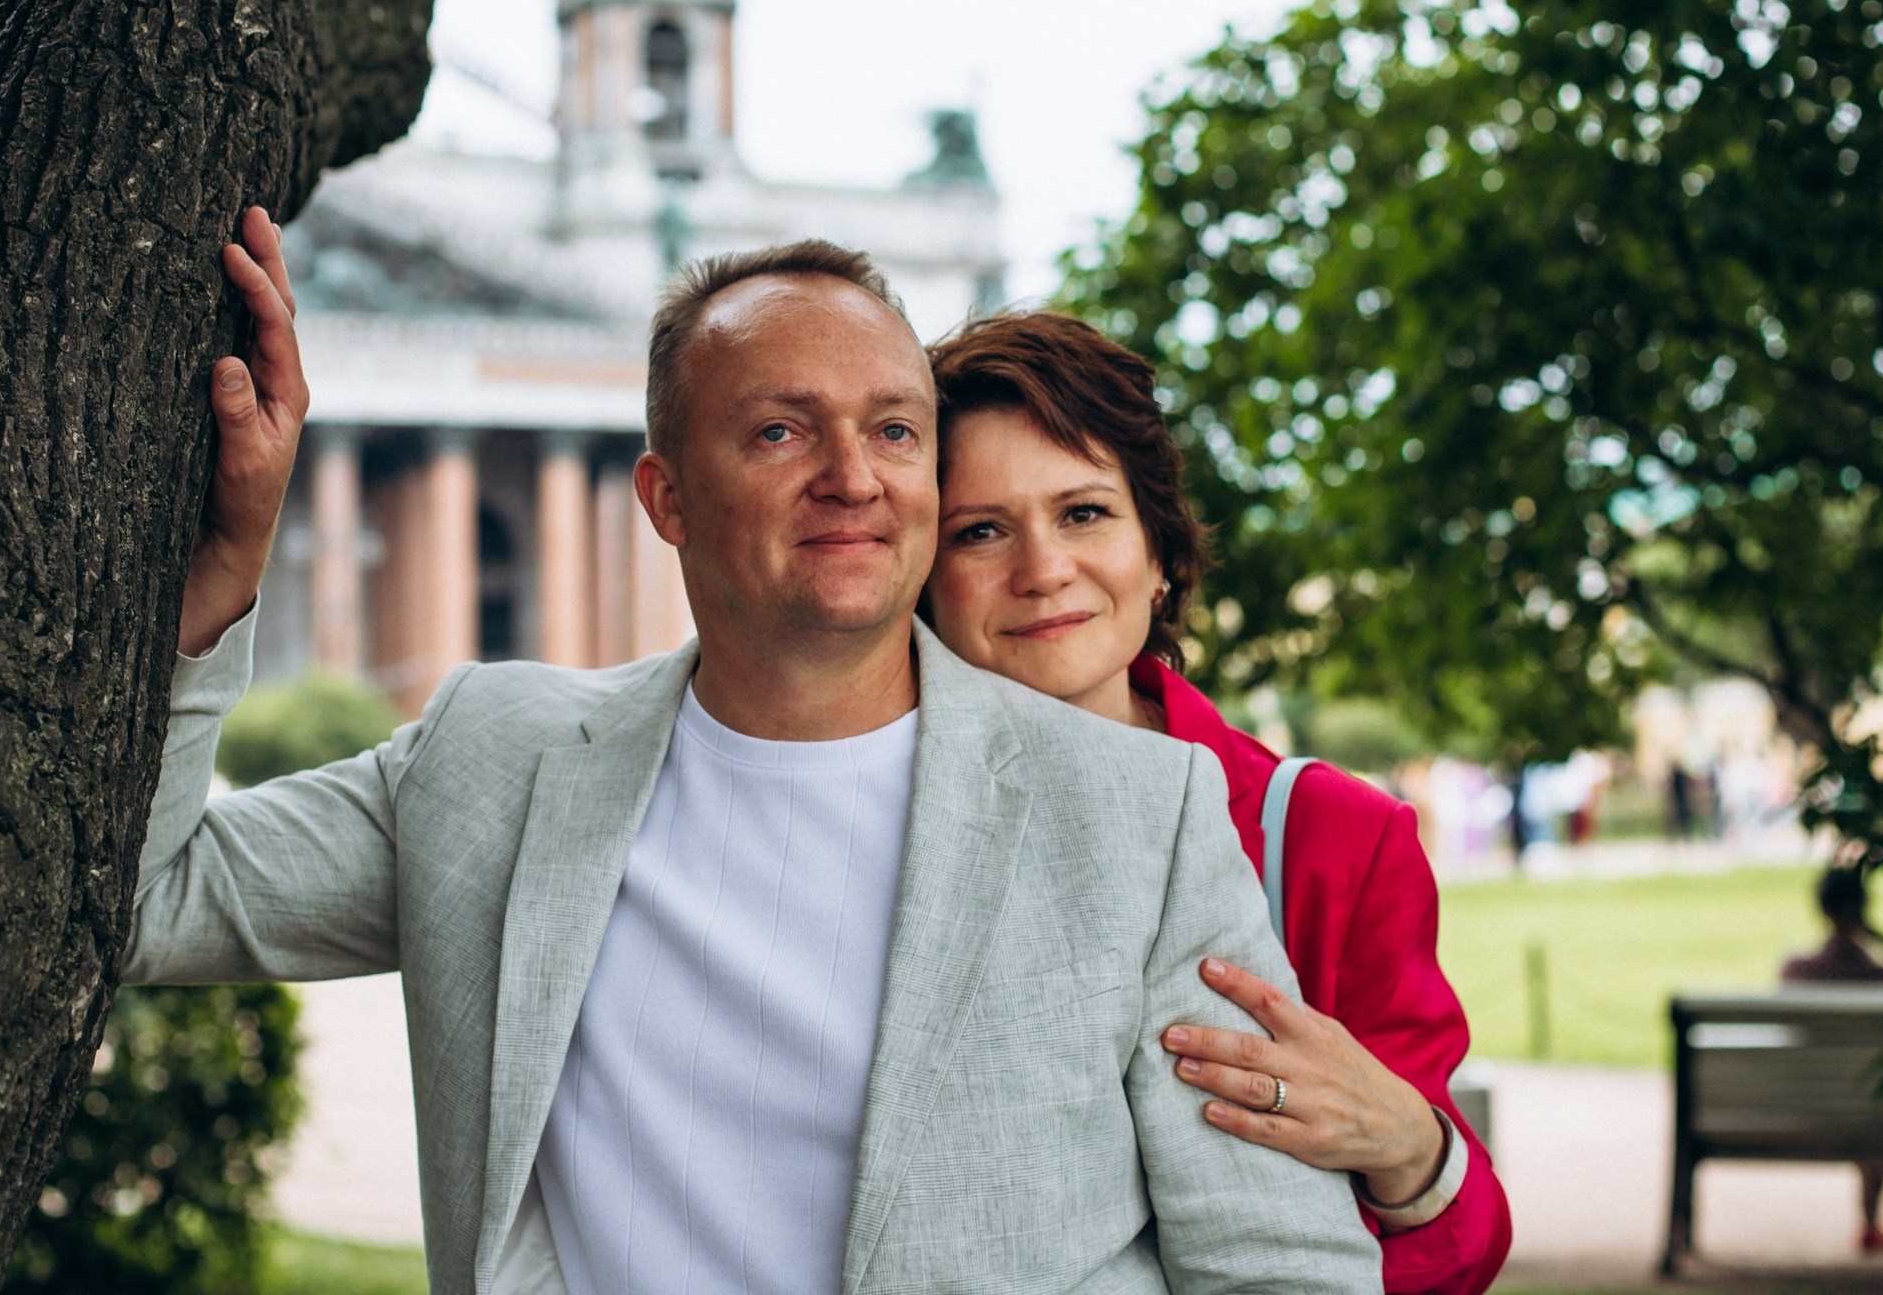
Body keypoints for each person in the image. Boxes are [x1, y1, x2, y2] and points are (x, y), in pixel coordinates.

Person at [131, 215, 1379, 1295]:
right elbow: (145, 897)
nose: (854, 477)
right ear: (666, 497)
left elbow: (1279, 1258)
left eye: (896, 432)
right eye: (782, 432)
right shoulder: (492, 763)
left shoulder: (1136, 812)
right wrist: (224, 575)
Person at [920, 310, 1513, 1295]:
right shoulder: (873, 829)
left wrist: (1412, 1148)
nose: (1042, 568)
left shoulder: (1330, 838)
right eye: (980, 530)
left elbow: (1450, 1258)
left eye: (1084, 512)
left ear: (1158, 549)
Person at [1778, 862, 1883, 1254]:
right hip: (1872, 1104)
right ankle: (1872, 1222)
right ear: (1865, 908)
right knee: (1877, 1100)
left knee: (1864, 1094)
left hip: (1809, 1102)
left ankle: (1872, 1224)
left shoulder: (1797, 971)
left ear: (1821, 908)